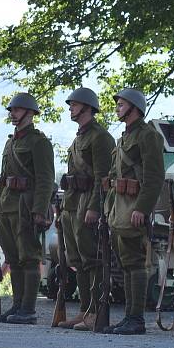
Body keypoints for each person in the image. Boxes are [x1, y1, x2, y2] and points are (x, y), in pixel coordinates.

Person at [100, 88, 164, 335]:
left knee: (136, 262)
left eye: (122, 104)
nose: (117, 107)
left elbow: (154, 177)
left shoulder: (148, 136)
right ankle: (129, 316)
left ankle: (136, 319)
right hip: (118, 206)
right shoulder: (124, 138)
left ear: (134, 108)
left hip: (133, 206)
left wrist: (143, 208)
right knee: (126, 263)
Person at [55, 88, 115, 330]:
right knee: (77, 261)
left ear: (87, 107)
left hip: (88, 202)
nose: (70, 107)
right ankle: (84, 310)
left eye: (75, 104)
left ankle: (95, 312)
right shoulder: (80, 136)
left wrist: (95, 207)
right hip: (73, 202)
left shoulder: (100, 137)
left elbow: (103, 177)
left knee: (92, 260)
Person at [0, 93, 55, 324]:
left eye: (17, 110)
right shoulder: (11, 142)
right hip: (7, 204)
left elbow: (46, 178)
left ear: (30, 113)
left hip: (26, 205)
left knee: (29, 256)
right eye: (11, 110)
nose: (13, 114)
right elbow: (3, 176)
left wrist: (39, 209)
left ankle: (28, 309)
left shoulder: (39, 142)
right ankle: (17, 305)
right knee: (13, 257)